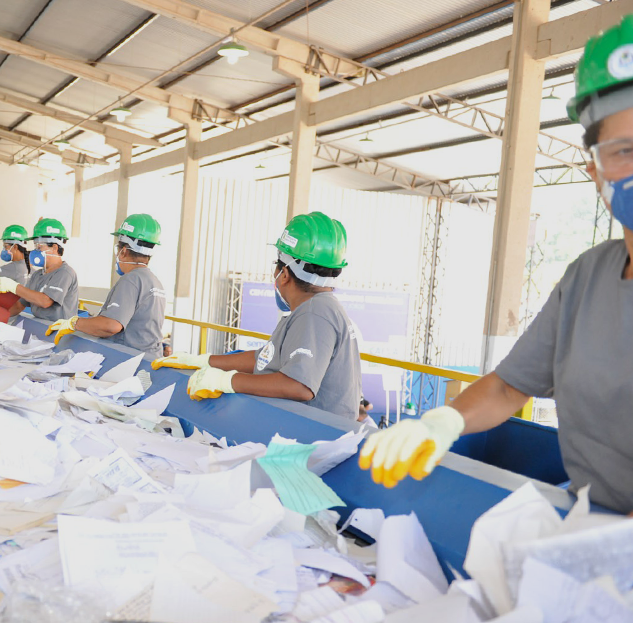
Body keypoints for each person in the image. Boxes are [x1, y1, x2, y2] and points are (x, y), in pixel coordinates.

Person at [360, 19, 633, 513]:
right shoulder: (586, 277)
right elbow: (509, 387)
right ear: (593, 167)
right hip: (592, 522)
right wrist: (443, 422)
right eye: (625, 151)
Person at [153, 212, 362, 422]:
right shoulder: (314, 309)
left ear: (284, 274)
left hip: (316, 435)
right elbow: (262, 359)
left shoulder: (314, 313)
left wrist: (227, 380)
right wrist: (201, 361)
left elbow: (299, 385)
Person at [45, 214, 167, 357]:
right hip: (150, 358)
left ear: (123, 251)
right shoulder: (155, 281)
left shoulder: (131, 280)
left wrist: (74, 323)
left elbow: (111, 326)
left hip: (130, 359)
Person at [0, 218, 78, 322]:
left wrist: (13, 286)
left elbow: (45, 301)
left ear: (54, 248)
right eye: (35, 246)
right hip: (39, 326)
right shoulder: (37, 275)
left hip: (58, 330)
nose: (35, 251)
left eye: (39, 247)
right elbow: (19, 305)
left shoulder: (65, 273)